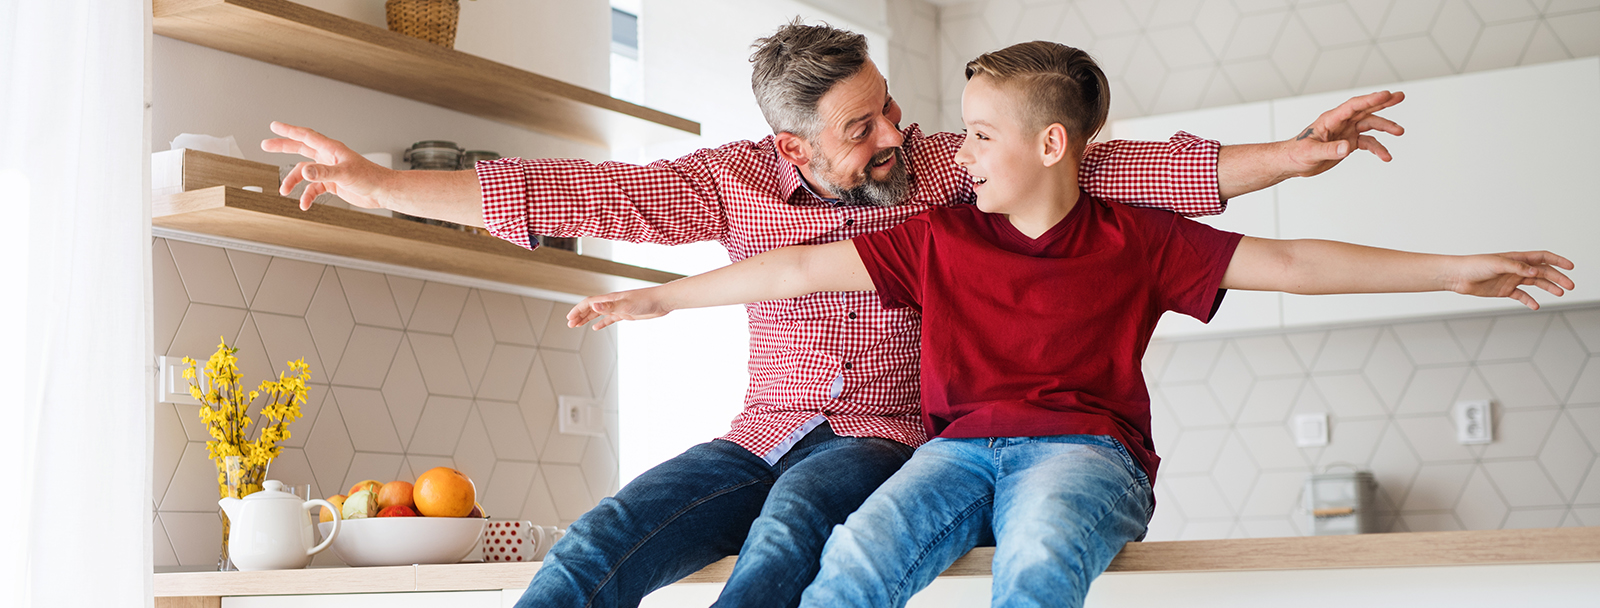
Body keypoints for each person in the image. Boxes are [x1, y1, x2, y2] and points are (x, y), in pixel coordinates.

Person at [263, 22, 1407, 608]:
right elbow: (569, 194)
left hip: (890, 438)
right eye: (861, 126)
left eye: (890, 109)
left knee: (785, 540)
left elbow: (1126, 171)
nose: (896, 135)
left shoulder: (949, 168)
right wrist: (376, 183)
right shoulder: (727, 183)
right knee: (598, 540)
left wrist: (1292, 156)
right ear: (792, 144)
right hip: (761, 426)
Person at [564, 41, 1574, 608]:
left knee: (1039, 560)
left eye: (981, 139)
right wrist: (657, 299)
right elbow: (789, 271)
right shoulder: (941, 237)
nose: (953, 157)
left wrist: (1456, 267)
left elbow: (1299, 263)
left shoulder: (1136, 238)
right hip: (956, 452)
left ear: (1050, 144)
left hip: (1080, 452)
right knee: (854, 558)